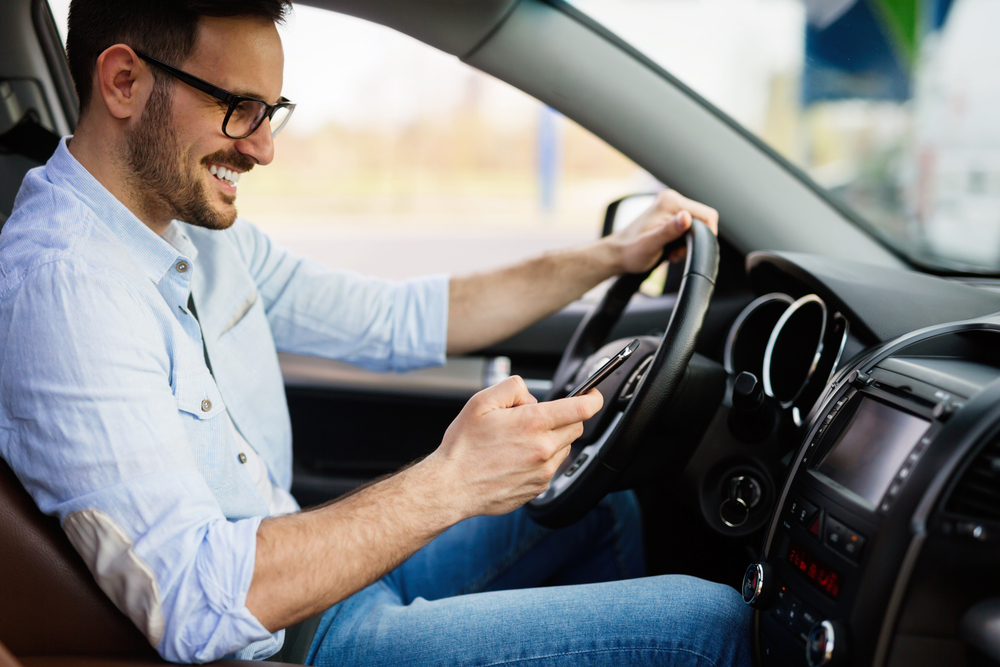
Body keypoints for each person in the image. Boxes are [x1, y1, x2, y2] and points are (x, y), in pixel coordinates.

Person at [0, 1, 752, 665]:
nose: (263, 148)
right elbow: (196, 599)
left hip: (324, 584)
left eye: (271, 112)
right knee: (709, 623)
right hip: (286, 645)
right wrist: (454, 479)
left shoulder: (196, 235)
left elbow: (399, 318)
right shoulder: (64, 292)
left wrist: (610, 256)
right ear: (124, 81)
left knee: (599, 509)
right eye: (238, 108)